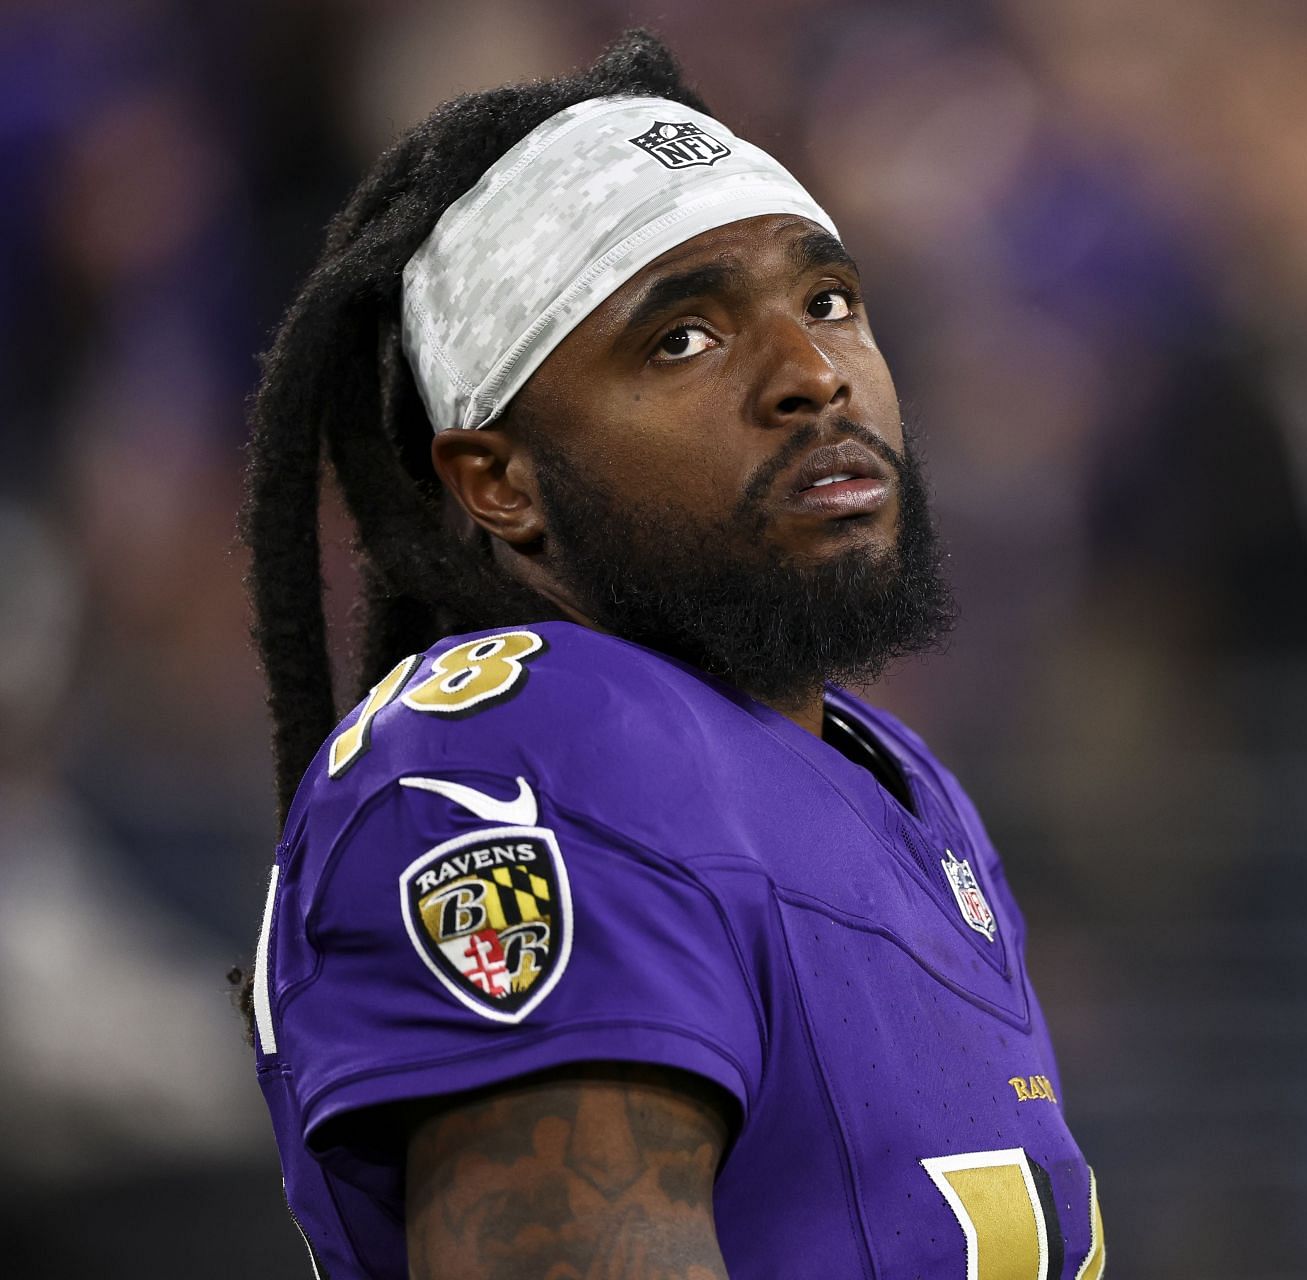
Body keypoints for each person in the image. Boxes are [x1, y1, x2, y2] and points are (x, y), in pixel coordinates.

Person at [239, 27, 1104, 1280]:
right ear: (500, 480)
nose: (814, 375)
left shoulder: (897, 777)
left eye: (830, 301)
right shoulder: (531, 749)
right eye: (683, 338)